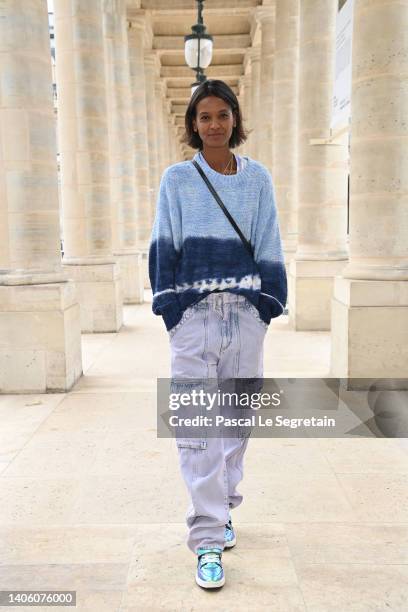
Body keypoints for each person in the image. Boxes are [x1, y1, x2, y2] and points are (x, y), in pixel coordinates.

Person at [148, 80, 287, 589]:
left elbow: (270, 237)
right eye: (203, 116)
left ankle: (224, 505)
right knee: (196, 430)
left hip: (246, 314)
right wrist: (172, 308)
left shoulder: (258, 180)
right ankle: (207, 538)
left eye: (221, 115)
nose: (213, 124)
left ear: (234, 119)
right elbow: (164, 243)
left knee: (236, 423)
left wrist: (267, 303)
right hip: (194, 316)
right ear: (192, 124)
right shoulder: (177, 180)